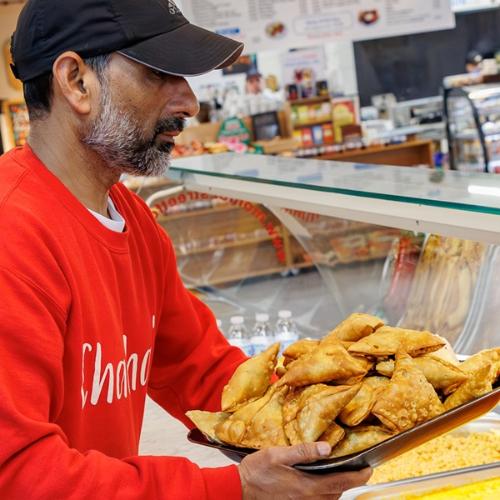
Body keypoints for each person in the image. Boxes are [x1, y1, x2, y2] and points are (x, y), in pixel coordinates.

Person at [0, 0, 371, 497]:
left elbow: (200, 366)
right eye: (160, 73)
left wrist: (340, 398)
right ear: (76, 82)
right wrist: (234, 489)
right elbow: (18, 473)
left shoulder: (131, 221)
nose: (190, 103)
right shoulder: (13, 235)